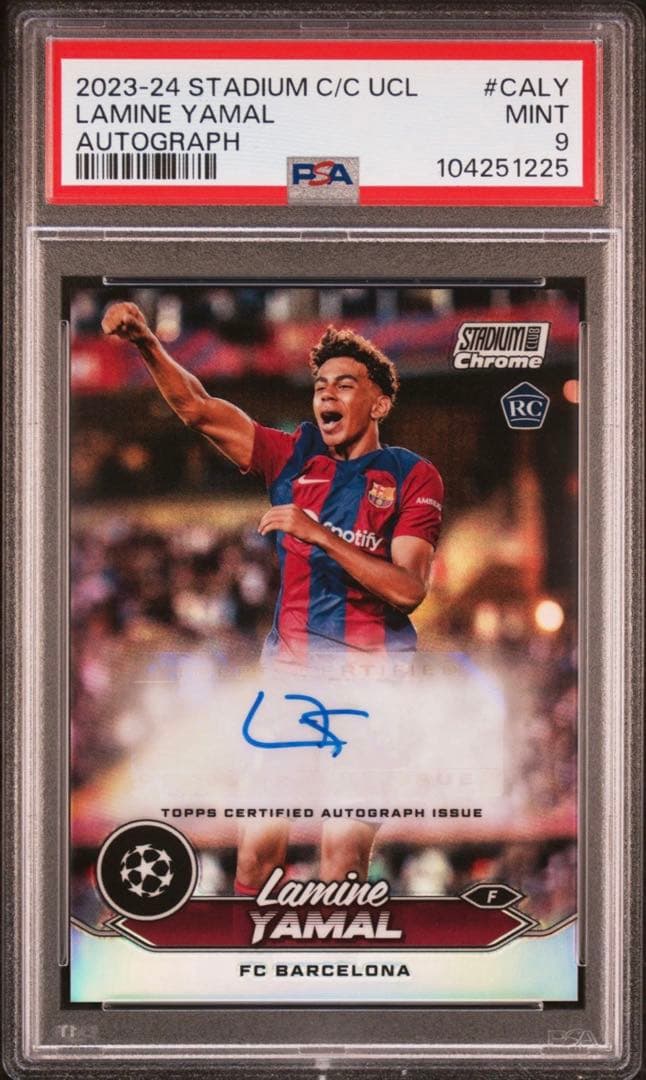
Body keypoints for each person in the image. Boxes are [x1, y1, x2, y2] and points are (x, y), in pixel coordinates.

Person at [101, 300, 444, 891]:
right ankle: (254, 953)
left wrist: (320, 535)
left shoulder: (413, 476)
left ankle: (333, 952)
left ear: (379, 403)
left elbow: (409, 590)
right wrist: (146, 342)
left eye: (344, 384)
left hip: (373, 684)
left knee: (341, 853)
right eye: (319, 386)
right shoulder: (292, 457)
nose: (327, 395)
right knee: (256, 854)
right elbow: (199, 408)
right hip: (290, 678)